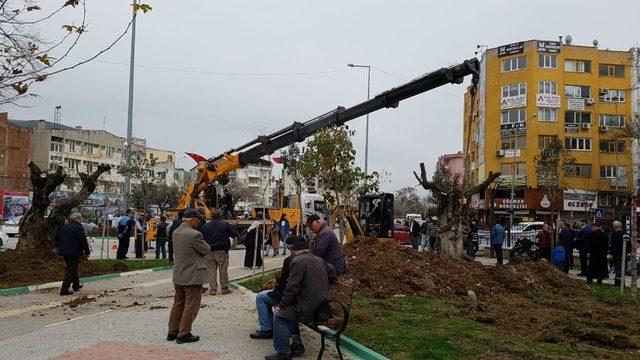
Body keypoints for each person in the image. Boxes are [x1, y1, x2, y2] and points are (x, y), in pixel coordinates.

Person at [265, 237, 329, 360]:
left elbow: (292, 287)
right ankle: (296, 344)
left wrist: (282, 305)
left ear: (294, 252)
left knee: (280, 316)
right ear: (308, 250)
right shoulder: (319, 260)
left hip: (310, 306)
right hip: (323, 304)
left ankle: (283, 353)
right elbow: (331, 271)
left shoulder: (297, 262)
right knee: (288, 310)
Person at [250, 237, 305, 356]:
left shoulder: (292, 261)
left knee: (262, 298)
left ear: (293, 249)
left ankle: (268, 330)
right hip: (309, 299)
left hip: (294, 298)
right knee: (289, 307)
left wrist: (278, 296)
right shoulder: (316, 260)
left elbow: (289, 285)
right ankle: (294, 340)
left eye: (289, 248)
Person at [167, 209, 209, 344]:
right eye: (198, 221)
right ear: (193, 219)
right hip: (192, 275)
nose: (199, 223)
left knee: (178, 303)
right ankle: (184, 333)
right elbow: (206, 249)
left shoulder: (176, 232)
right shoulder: (194, 234)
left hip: (178, 274)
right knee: (191, 305)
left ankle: (172, 331)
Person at [201, 209, 238, 295]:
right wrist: (233, 246)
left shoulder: (205, 227)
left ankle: (213, 290)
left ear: (211, 216)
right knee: (223, 270)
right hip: (222, 251)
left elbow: (201, 240)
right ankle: (224, 288)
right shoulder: (225, 225)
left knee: (211, 270)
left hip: (209, 251)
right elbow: (234, 235)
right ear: (221, 216)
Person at [55, 213, 91, 296]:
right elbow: (83, 241)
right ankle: (64, 289)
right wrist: (87, 252)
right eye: (81, 218)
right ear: (77, 218)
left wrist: (58, 248)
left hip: (64, 252)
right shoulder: (78, 227)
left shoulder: (64, 227)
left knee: (72, 267)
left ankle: (76, 285)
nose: (82, 220)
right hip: (74, 252)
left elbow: (57, 238)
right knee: (71, 270)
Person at [610, 220, 626, 287]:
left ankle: (618, 284)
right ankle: (622, 284)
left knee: (617, 269)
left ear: (614, 227)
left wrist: (611, 254)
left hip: (617, 255)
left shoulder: (615, 234)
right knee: (622, 270)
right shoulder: (626, 234)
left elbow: (613, 246)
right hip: (624, 254)